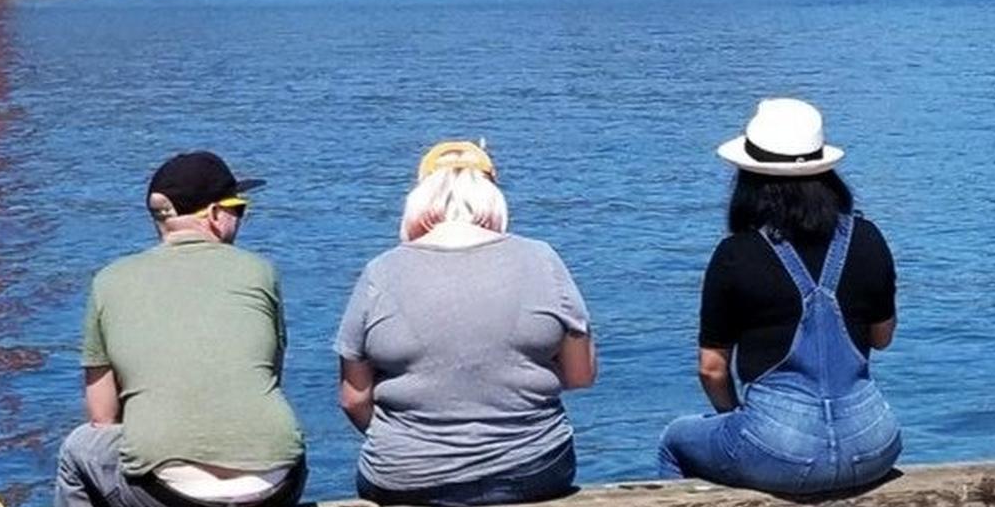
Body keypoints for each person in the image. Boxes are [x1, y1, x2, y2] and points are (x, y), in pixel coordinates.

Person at [658, 98, 901, 494]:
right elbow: (882, 338)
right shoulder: (868, 237)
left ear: (749, 179)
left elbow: (712, 368)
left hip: (780, 449)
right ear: (827, 173)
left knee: (674, 440)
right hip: (874, 441)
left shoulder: (735, 255)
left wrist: (735, 417)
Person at [335, 140, 597, 506]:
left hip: (405, 475)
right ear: (493, 195)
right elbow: (580, 375)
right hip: (533, 468)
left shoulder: (380, 272)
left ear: (420, 198)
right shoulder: (542, 260)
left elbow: (353, 399)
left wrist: (409, 445)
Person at [55, 151, 306, 507]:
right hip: (276, 486)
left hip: (166, 495)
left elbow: (102, 418)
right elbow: (269, 374)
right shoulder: (259, 271)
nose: (240, 219)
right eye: (239, 209)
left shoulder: (109, 281)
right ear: (215, 216)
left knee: (78, 448)